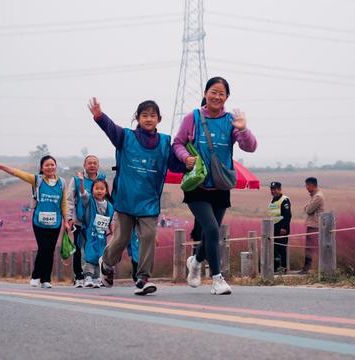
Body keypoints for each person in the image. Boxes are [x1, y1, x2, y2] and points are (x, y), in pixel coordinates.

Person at [173, 76, 257, 295]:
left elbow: (250, 147)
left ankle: (195, 261)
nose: (217, 97)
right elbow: (178, 143)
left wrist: (243, 129)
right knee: (211, 229)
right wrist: (185, 158)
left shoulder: (231, 121)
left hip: (220, 186)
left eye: (222, 93)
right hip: (197, 185)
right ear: (205, 92)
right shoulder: (192, 117)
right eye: (214, 92)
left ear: (227, 97)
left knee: (212, 233)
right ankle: (218, 279)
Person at [88, 97, 181, 295]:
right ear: (137, 118)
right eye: (144, 115)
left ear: (159, 119)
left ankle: (143, 277)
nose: (148, 119)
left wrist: (188, 162)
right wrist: (99, 117)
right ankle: (106, 263)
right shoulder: (126, 137)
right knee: (121, 238)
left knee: (148, 236)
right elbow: (110, 128)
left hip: (149, 200)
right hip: (126, 198)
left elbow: (174, 164)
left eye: (152, 115)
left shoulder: (164, 142)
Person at [0, 155, 70, 289]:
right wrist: (1, 166)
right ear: (42, 168)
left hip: (55, 223)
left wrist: (66, 221)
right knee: (43, 248)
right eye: (47, 165)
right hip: (39, 222)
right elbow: (18, 173)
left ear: (56, 166)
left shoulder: (62, 183)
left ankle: (46, 279)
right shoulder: (37, 180)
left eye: (52, 164)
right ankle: (35, 276)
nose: (50, 167)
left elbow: (63, 203)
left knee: (50, 251)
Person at [66, 155, 106, 288]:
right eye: (89, 163)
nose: (92, 165)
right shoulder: (77, 180)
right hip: (79, 221)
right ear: (84, 165)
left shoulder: (102, 180)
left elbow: (105, 201)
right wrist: (69, 218)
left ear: (98, 166)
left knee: (96, 249)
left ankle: (95, 276)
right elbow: (69, 200)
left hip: (95, 223)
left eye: (95, 163)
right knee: (78, 249)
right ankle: (78, 276)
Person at [76, 173, 114, 288]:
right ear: (92, 190)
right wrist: (81, 182)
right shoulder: (89, 200)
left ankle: (97, 277)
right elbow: (82, 194)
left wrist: (112, 231)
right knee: (89, 254)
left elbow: (110, 219)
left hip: (101, 234)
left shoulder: (109, 205)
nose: (99, 191)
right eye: (96, 188)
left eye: (102, 189)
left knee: (100, 255)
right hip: (89, 233)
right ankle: (88, 276)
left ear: (106, 191)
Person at [267, 182, 291, 274]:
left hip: (282, 229)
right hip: (273, 228)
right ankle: (276, 267)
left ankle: (283, 268)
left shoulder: (284, 200)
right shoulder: (272, 200)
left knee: (281, 249)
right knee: (275, 249)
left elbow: (287, 215)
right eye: (272, 189)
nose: (273, 191)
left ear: (280, 189)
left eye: (275, 189)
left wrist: (284, 228)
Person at [301, 177, 324, 274]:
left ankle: (308, 268)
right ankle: (308, 267)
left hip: (314, 225)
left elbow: (308, 210)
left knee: (310, 247)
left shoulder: (317, 197)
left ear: (312, 185)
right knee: (309, 247)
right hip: (313, 224)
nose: (306, 187)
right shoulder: (314, 196)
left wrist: (306, 207)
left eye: (307, 185)